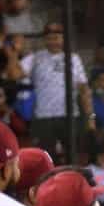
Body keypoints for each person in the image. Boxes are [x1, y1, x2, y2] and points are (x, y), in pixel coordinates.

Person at [18, 22, 93, 158]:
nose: (53, 42)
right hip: (43, 116)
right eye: (49, 38)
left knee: (73, 156)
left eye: (56, 37)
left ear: (63, 38)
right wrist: (13, 53)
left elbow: (83, 86)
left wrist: (90, 115)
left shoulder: (73, 58)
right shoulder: (35, 57)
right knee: (45, 158)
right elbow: (15, 75)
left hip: (70, 114)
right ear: (44, 40)